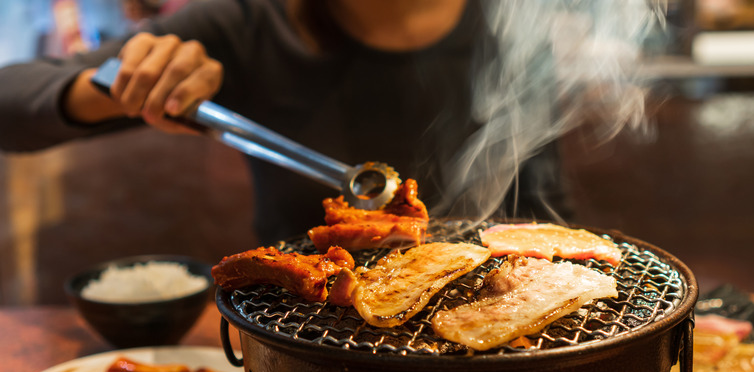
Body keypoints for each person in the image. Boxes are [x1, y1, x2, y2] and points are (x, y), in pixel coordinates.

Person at [0, 0, 570, 244]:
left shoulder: (512, 27)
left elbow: (546, 204)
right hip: (305, 349)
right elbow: (10, 102)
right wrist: (116, 87)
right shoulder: (251, 25)